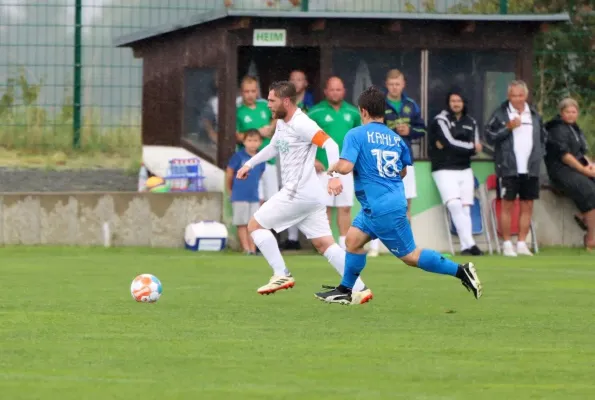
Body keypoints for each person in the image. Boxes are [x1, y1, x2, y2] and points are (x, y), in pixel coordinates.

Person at [315, 86, 482, 305]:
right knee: (353, 241)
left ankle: (462, 271)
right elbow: (402, 171)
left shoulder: (356, 134)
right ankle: (346, 289)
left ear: (362, 111)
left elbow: (346, 167)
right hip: (380, 204)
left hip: (382, 208)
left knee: (411, 256)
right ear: (382, 111)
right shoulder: (396, 139)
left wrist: (332, 168)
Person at [236, 81, 373, 304]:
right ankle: (359, 288)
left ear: (286, 101)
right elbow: (273, 147)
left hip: (297, 192)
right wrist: (249, 165)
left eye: (272, 100)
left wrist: (334, 176)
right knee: (325, 244)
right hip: (311, 195)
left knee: (255, 225)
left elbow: (329, 144)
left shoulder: (302, 123)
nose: (268, 105)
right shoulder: (283, 121)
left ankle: (281, 274)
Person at [367, 69, 426, 257]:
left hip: (405, 162)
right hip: (382, 161)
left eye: (398, 84)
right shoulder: (378, 104)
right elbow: (369, 130)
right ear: (386, 84)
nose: (394, 87)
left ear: (403, 84)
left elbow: (423, 130)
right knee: (378, 204)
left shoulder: (411, 105)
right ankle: (374, 247)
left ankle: (408, 247)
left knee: (405, 205)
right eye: (391, 84)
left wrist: (410, 131)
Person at [485, 80, 546, 257]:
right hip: (508, 168)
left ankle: (521, 243)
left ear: (525, 96)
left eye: (520, 95)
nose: (517, 99)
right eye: (513, 95)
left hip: (530, 169)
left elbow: (543, 138)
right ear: (508, 96)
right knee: (507, 205)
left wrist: (539, 155)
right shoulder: (500, 113)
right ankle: (506, 244)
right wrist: (507, 128)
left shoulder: (534, 115)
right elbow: (489, 136)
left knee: (527, 205)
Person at [428, 88, 484, 256]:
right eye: (453, 101)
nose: (456, 104)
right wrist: (470, 147)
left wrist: (468, 148)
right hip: (443, 169)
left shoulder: (471, 122)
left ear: (464, 103)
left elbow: (474, 149)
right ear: (448, 103)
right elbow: (449, 142)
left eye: (459, 101)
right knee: (454, 204)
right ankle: (471, 244)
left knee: (466, 208)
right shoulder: (440, 120)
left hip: (465, 169)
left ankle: (466, 247)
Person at [307, 77, 361, 249]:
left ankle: (345, 246)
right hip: (323, 169)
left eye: (338, 89)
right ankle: (326, 245)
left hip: (345, 168)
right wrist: (312, 160)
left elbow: (359, 140)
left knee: (345, 207)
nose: (335, 93)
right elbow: (303, 139)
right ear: (325, 91)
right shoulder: (315, 112)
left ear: (344, 91)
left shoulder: (353, 113)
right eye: (332, 89)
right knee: (325, 208)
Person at [544, 98, 595, 250]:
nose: (571, 115)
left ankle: (584, 217)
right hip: (561, 170)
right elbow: (565, 156)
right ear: (561, 113)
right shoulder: (556, 129)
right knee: (589, 190)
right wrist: (584, 170)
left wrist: (590, 165)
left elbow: (581, 153)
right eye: (568, 112)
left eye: (574, 112)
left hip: (577, 168)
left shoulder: (575, 129)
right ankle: (591, 239)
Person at [283, 70, 317, 250]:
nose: (296, 83)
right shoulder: (284, 100)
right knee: (290, 193)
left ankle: (316, 238)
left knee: (307, 195)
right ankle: (292, 238)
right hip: (289, 152)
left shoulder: (312, 103)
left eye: (299, 80)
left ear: (306, 83)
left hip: (307, 152)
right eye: (292, 80)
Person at [236, 75, 279, 204]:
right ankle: (257, 225)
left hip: (269, 159)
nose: (250, 95)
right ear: (241, 92)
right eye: (246, 91)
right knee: (256, 200)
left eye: (253, 91)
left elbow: (279, 115)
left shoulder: (265, 106)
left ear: (257, 91)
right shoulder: (238, 112)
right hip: (250, 162)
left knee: (273, 200)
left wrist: (270, 128)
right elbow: (237, 136)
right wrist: (258, 132)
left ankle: (271, 225)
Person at [226, 130, 266, 254]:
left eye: (255, 141)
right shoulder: (238, 156)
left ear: (260, 142)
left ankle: (253, 249)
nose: (252, 144)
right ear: (243, 142)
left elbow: (259, 176)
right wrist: (230, 190)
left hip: (253, 196)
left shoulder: (261, 158)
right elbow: (229, 173)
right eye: (249, 140)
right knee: (241, 223)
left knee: (252, 224)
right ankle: (246, 248)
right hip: (239, 195)